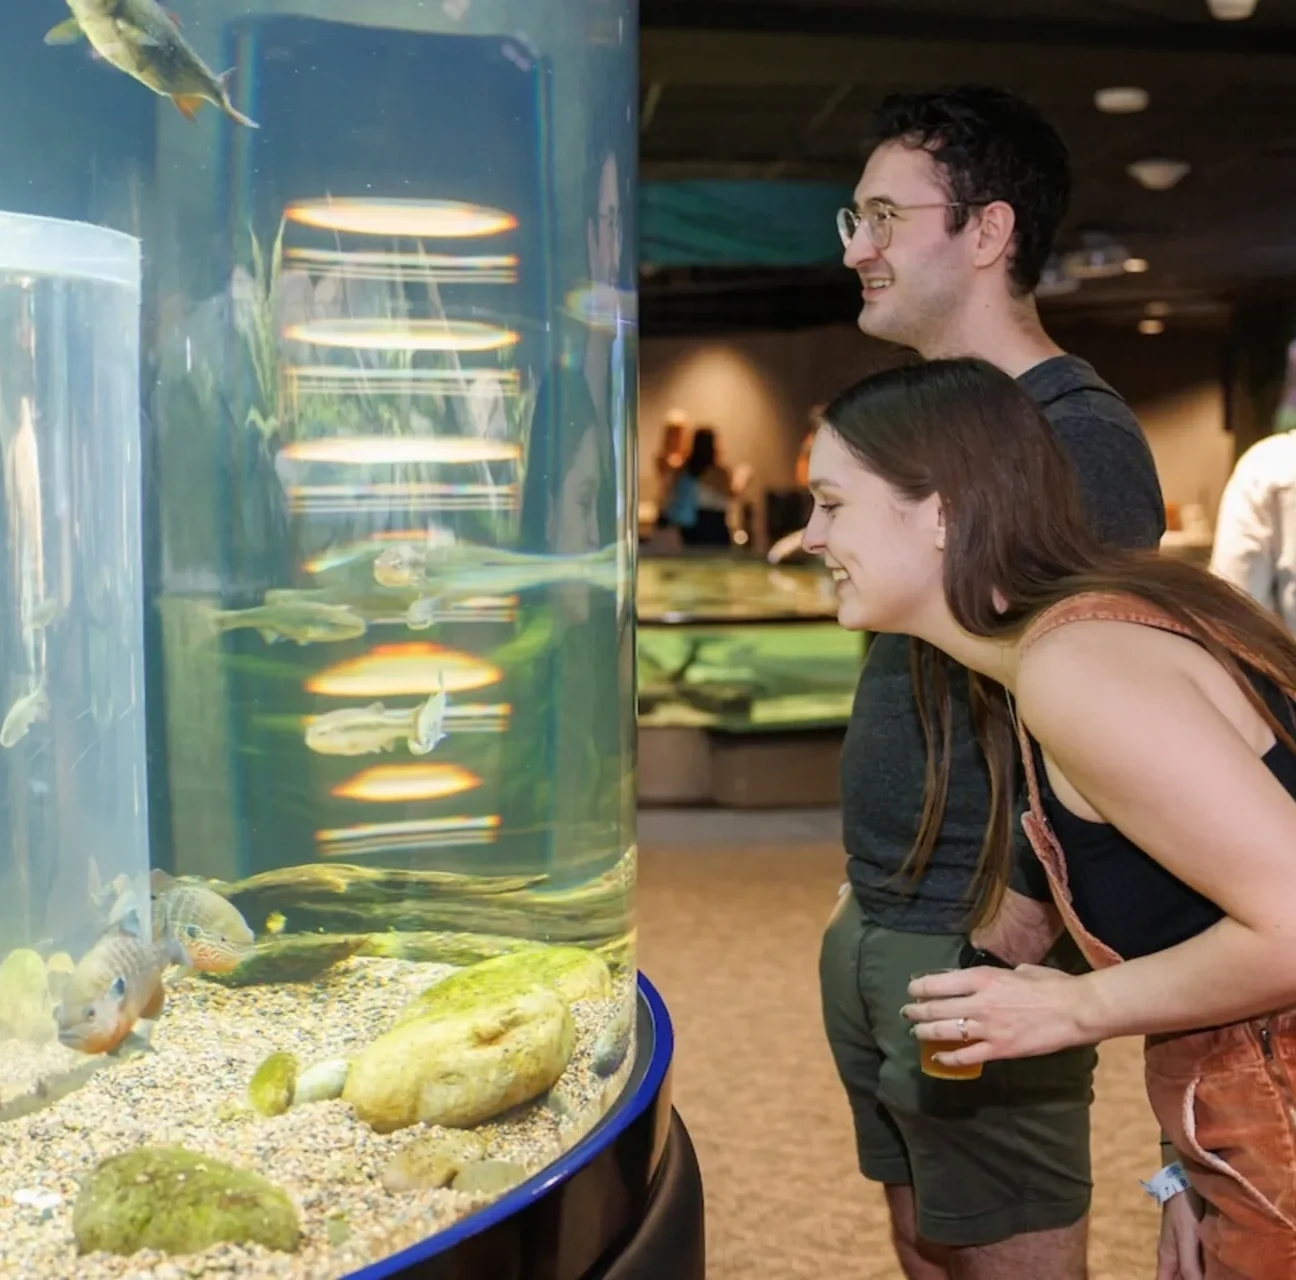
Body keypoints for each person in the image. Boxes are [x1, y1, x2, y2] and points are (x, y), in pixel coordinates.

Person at [804, 354, 1296, 1280]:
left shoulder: (1076, 669)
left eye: (832, 503)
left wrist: (1075, 1006)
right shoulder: (1081, 639)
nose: (808, 536)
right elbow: (1201, 924)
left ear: (940, 512)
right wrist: (1182, 1173)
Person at [817, 84, 1166, 1280]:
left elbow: (1113, 695)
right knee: (927, 1237)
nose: (857, 247)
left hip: (979, 932)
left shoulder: (1075, 437)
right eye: (849, 218)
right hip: (890, 906)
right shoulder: (943, 434)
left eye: (880, 215)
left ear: (987, 231)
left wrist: (1020, 905)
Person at [665, 425, 744, 547]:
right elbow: (731, 493)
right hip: (714, 523)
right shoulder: (718, 473)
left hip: (690, 524)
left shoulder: (684, 470)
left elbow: (670, 492)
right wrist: (742, 478)